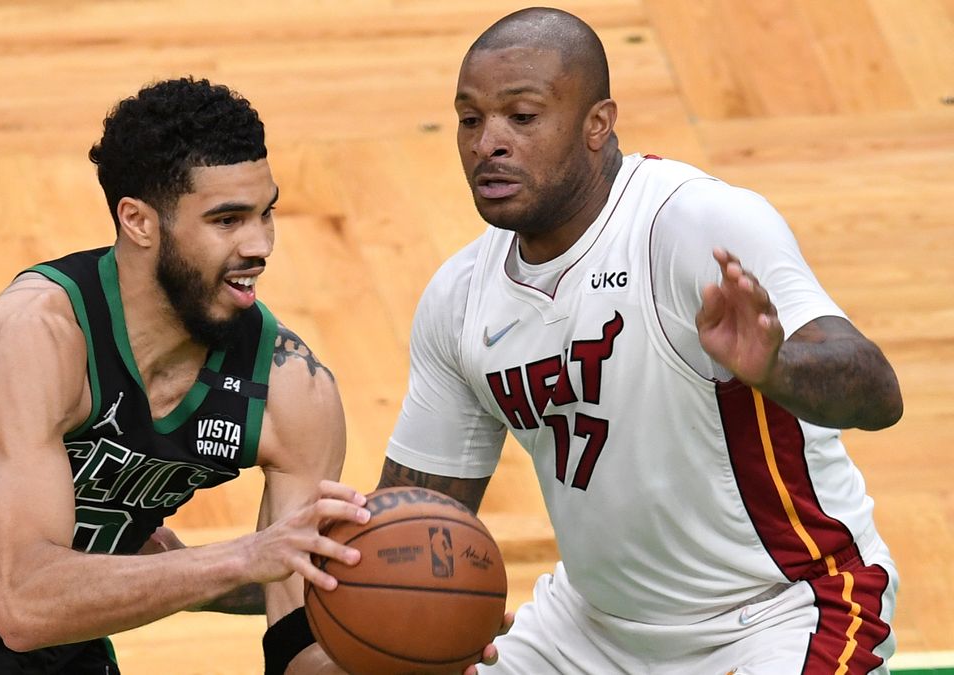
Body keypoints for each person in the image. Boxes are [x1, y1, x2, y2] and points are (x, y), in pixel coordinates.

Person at [0, 77, 373, 675]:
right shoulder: (36, 337)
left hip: (66, 658)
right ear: (138, 221)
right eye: (227, 220)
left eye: (266, 213)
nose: (260, 244)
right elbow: (22, 606)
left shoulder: (293, 387)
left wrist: (408, 643)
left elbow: (295, 635)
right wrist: (240, 558)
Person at [379, 8, 904, 674]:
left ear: (598, 123)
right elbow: (412, 525)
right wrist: (242, 565)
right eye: (471, 119)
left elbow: (879, 392)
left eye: (523, 116)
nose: (489, 143)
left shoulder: (691, 222)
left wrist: (777, 369)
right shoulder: (458, 298)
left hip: (780, 607)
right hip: (591, 629)